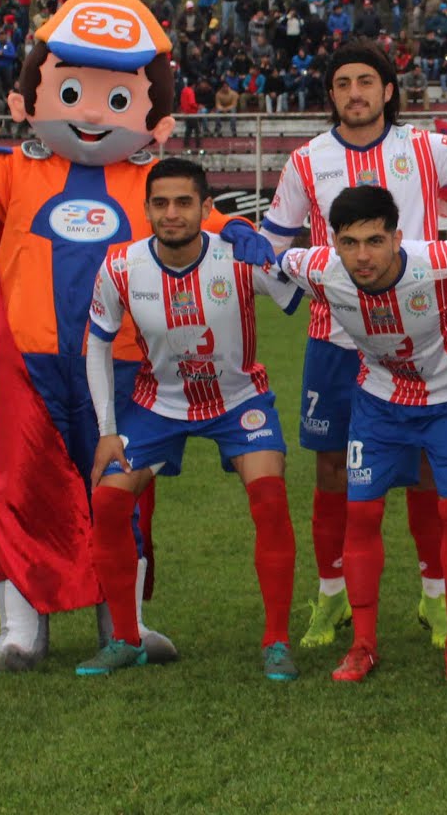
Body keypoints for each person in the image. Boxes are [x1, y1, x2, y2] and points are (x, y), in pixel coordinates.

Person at [0, 0, 265, 672]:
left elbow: (198, 221)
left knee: (124, 489)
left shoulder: (148, 184)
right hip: (29, 363)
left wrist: (241, 230)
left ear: (152, 112)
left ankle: (123, 627)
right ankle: (21, 630)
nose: (94, 113)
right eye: (73, 91)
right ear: (32, 96)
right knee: (25, 489)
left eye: (118, 97)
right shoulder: (14, 170)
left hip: (127, 364)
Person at [258, 40, 447, 652]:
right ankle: (330, 597)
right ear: (331, 94)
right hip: (336, 341)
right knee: (330, 471)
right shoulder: (307, 162)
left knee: (429, 472)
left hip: (419, 342)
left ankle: (434, 597)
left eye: (367, 82)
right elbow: (270, 246)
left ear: (387, 91)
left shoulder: (423, 148)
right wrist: (306, 302)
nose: (355, 93)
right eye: (344, 82)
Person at [80, 159, 299, 680]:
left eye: (183, 203)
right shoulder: (120, 266)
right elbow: (97, 345)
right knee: (108, 504)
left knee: (269, 499)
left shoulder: (239, 258)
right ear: (147, 209)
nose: (171, 214)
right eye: (160, 203)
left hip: (238, 400)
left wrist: (276, 256)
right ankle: (125, 640)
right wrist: (107, 432)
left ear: (206, 208)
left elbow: (303, 294)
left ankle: (277, 641)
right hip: (160, 404)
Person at [275, 186, 447, 685]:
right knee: (361, 511)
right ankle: (363, 644)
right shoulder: (318, 267)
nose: (363, 256)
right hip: (379, 401)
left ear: (398, 237)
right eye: (349, 243)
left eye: (375, 240)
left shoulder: (443, 261)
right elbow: (272, 256)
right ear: (333, 242)